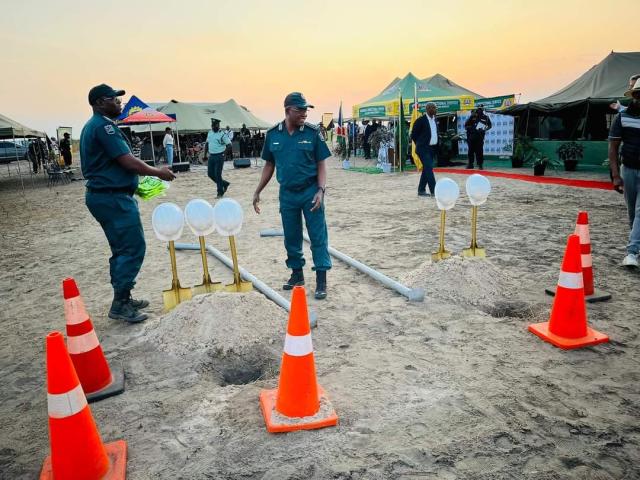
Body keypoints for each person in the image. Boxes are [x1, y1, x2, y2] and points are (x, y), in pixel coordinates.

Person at [80, 84, 176, 323]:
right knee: (133, 247)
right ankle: (120, 303)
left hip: (106, 195)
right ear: (100, 102)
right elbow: (128, 161)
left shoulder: (96, 125)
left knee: (122, 249)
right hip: (112, 197)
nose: (119, 103)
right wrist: (158, 172)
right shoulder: (103, 127)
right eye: (114, 99)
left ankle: (123, 296)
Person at [252, 92, 332, 300]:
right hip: (287, 194)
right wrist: (258, 190)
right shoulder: (273, 135)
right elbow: (269, 165)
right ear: (288, 110)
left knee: (317, 235)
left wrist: (321, 191)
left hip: (310, 192)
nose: (305, 114)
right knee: (291, 236)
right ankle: (297, 275)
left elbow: (321, 164)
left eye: (306, 110)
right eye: (300, 110)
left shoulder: (312, 134)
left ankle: (321, 280)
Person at [608, 77, 640, 268]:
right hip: (627, 169)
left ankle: (631, 252)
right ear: (635, 95)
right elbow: (612, 148)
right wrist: (615, 176)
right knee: (631, 213)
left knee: (639, 211)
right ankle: (636, 245)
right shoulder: (622, 117)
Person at [411, 102, 439, 197]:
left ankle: (421, 190)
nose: (436, 110)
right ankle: (434, 191)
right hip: (423, 148)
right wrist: (420, 144)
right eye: (434, 108)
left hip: (432, 148)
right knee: (429, 168)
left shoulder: (435, 120)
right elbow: (413, 135)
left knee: (427, 169)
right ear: (429, 109)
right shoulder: (420, 120)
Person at [204, 118, 232, 198]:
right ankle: (224, 184)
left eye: (215, 126)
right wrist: (205, 155)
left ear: (218, 125)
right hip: (211, 156)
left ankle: (220, 192)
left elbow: (229, 145)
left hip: (219, 156)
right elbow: (207, 144)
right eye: (212, 126)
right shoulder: (210, 133)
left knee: (217, 174)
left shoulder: (222, 134)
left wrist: (224, 154)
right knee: (210, 174)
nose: (213, 127)